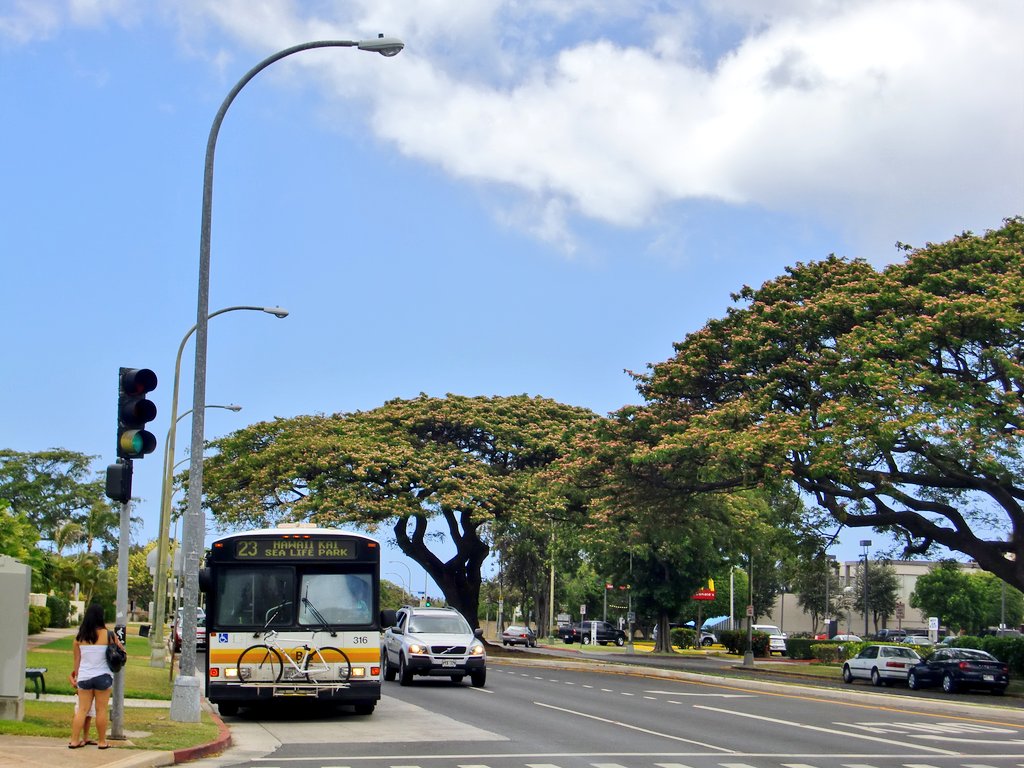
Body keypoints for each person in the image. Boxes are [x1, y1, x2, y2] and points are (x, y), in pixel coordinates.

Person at [69, 603, 124, 749]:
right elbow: (120, 651)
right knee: (101, 710)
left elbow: (77, 661)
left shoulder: (79, 637)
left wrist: (76, 677)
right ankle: (102, 741)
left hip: (84, 677)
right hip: (103, 677)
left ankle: (74, 740)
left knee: (82, 710)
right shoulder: (108, 635)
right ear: (101, 617)